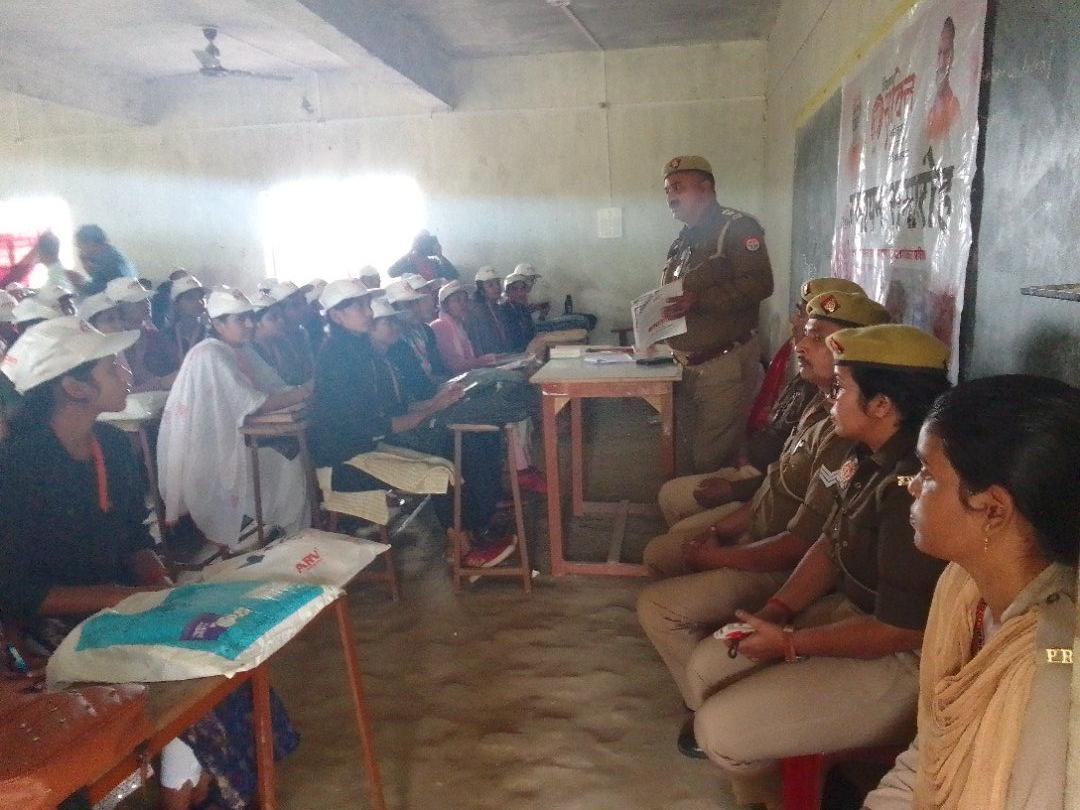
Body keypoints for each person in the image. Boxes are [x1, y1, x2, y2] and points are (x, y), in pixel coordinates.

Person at [0, 317, 299, 810]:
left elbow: (133, 537)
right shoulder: (16, 469)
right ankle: (188, 788)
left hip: (121, 603)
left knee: (228, 655)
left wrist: (160, 584)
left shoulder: (112, 446)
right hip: (48, 626)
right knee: (184, 680)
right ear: (74, 387)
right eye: (111, 367)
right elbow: (17, 591)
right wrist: (127, 599)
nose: (126, 374)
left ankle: (194, 783)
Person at [684, 324, 950, 808]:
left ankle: (785, 787)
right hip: (851, 610)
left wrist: (789, 643)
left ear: (882, 405)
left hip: (901, 656)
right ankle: (772, 786)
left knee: (719, 729)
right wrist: (777, 610)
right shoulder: (867, 454)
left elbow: (898, 631)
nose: (831, 400)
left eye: (842, 389)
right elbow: (829, 543)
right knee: (709, 665)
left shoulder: (910, 485)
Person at [637, 293, 892, 738]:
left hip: (784, 565)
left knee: (661, 605)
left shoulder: (852, 434)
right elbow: (776, 487)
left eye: (818, 337)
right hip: (766, 538)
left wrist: (721, 558)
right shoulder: (820, 404)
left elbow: (804, 545)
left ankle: (710, 702)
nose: (801, 344)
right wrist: (720, 531)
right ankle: (710, 680)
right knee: (667, 549)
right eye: (803, 332)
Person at [864, 375, 1080, 810]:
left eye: (928, 474)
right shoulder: (963, 589)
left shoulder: (1052, 672)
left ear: (994, 510)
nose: (911, 485)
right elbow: (931, 749)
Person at [310, 280, 515, 567]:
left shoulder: (359, 351)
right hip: (346, 459)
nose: (368, 312)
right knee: (446, 446)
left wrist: (432, 407)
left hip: (366, 442)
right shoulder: (338, 358)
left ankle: (475, 526)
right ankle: (462, 548)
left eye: (368, 305)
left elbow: (386, 412)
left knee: (463, 438)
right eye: (358, 307)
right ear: (335, 315)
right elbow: (369, 426)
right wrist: (431, 409)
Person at [157, 288, 311, 553]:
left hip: (238, 439)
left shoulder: (240, 348)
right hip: (214, 454)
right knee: (290, 459)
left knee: (296, 448)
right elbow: (254, 403)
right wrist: (306, 392)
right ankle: (291, 534)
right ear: (217, 324)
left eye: (250, 317)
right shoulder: (210, 353)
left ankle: (292, 533)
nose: (250, 324)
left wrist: (300, 392)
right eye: (240, 319)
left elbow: (274, 387)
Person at [659, 155, 773, 473]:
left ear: (705, 188)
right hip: (687, 364)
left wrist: (700, 300)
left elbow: (760, 283)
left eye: (678, 187)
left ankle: (707, 506)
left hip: (723, 365)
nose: (671, 197)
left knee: (710, 459)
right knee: (690, 452)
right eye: (667, 190)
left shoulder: (737, 228)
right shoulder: (684, 238)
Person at [105, 277, 175, 392]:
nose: (146, 303)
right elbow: (118, 393)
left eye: (146, 298)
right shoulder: (110, 344)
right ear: (119, 308)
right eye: (138, 301)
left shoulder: (155, 336)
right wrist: (160, 383)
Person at [143, 273, 208, 380]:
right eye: (190, 298)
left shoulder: (210, 336)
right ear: (176, 304)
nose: (199, 302)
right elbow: (155, 371)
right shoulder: (164, 338)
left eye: (201, 297)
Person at [256, 281, 316, 385]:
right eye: (296, 305)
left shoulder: (301, 333)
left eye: (304, 301)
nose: (305, 308)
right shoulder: (257, 347)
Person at [429, 280, 496, 374]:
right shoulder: (440, 325)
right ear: (445, 305)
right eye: (457, 300)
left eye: (465, 299)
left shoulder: (461, 324)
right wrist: (485, 360)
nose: (463, 304)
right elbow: (454, 365)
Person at [75, 224, 137, 295]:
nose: (79, 250)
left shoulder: (111, 261)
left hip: (121, 298)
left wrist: (82, 284)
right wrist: (86, 266)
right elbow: (100, 280)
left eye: (80, 246)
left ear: (90, 243)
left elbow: (108, 291)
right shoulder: (106, 253)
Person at [927, 16, 961, 142]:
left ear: (954, 57)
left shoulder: (955, 108)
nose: (941, 63)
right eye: (939, 53)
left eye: (946, 53)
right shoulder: (928, 108)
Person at [466, 266, 511, 356]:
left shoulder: (497, 307)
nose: (497, 287)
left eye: (497, 283)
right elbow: (478, 343)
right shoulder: (476, 311)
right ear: (481, 290)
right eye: (490, 285)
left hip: (504, 355)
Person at [387, 231, 460, 281]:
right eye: (421, 241)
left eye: (427, 241)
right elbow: (391, 272)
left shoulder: (434, 263)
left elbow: (453, 276)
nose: (424, 244)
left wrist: (440, 255)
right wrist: (410, 251)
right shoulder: (408, 264)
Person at [500, 269, 537, 353]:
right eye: (515, 289)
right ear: (507, 292)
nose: (520, 293)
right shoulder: (502, 311)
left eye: (522, 288)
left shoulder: (523, 309)